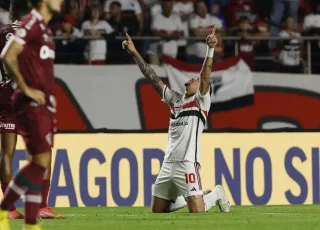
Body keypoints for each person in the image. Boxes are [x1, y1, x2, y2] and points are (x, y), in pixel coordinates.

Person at [122, 27, 231, 213]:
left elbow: (205, 76)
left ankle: (215, 194)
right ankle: (192, 196)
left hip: (188, 163)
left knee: (197, 211)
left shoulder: (201, 102)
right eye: (191, 79)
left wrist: (210, 49)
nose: (191, 80)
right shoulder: (175, 100)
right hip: (168, 163)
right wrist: (134, 53)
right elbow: (151, 76)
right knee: (157, 211)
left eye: (195, 80)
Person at [0, 0, 64, 229]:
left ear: (10, 12)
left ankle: (9, 209)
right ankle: (42, 206)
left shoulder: (2, 32)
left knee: (6, 153)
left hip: (5, 95)